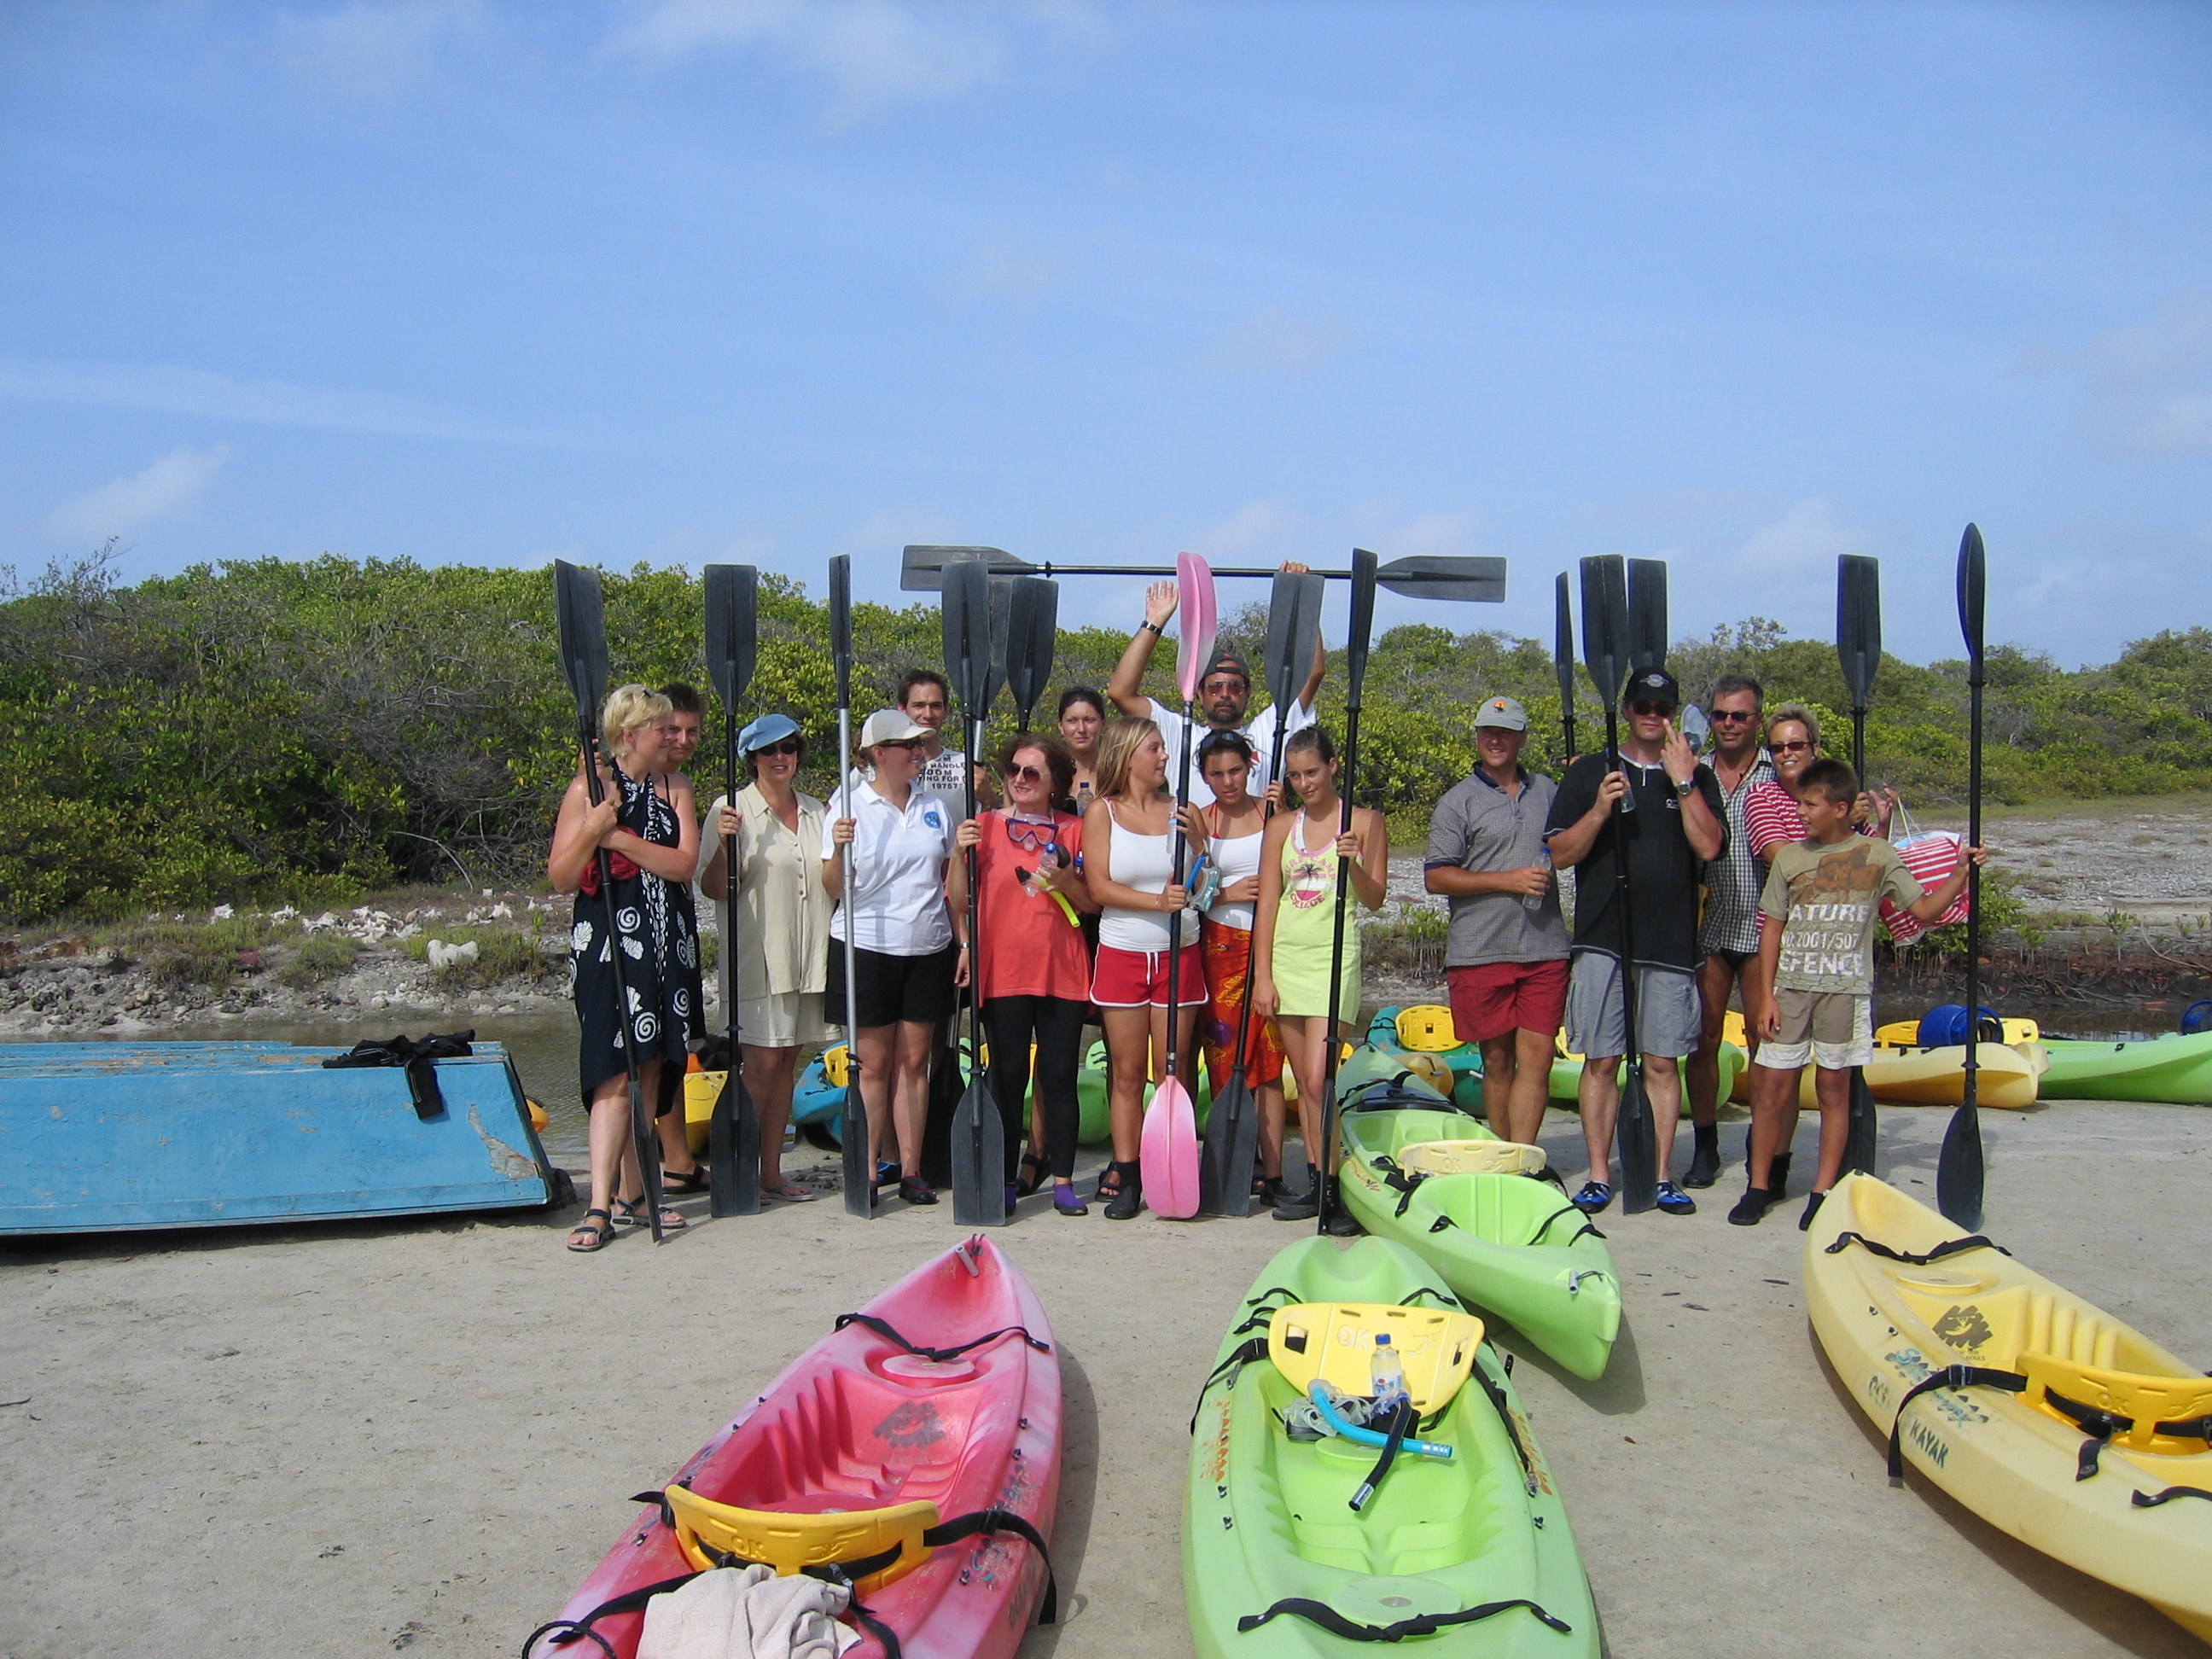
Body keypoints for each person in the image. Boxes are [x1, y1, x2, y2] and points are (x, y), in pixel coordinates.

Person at [1734, 759, 1983, 1230]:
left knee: (1833, 1090)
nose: (1802, 812)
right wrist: (1765, 995)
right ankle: (1759, 1185)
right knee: (1771, 1089)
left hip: (1845, 995)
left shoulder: (1878, 855)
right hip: (1790, 991)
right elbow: (1771, 929)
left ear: (1841, 808)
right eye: (1800, 803)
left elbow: (1925, 910)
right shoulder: (1789, 857)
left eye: (1810, 804)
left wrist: (1959, 873)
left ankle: (1822, 1190)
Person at [1544, 667, 1726, 1216]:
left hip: (1670, 942)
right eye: (1642, 705)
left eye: (1662, 706)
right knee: (1601, 1061)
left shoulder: (1696, 775)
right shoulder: (1589, 773)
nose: (1652, 713)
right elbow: (1558, 855)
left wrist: (1684, 780)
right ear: (1626, 711)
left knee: (1663, 1064)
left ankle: (1663, 1174)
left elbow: (1710, 847)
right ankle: (1599, 1175)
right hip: (1603, 940)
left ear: (1672, 713)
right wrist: (1600, 808)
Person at [548, 684, 701, 1251]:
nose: (672, 736)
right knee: (614, 1070)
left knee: (655, 1066)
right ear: (629, 735)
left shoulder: (676, 787)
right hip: (610, 946)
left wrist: (618, 839)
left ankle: (638, 1194)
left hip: (669, 944)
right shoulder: (589, 788)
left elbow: (683, 863)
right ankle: (599, 1203)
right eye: (661, 727)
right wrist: (593, 828)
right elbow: (563, 876)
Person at [951, 734, 1099, 1218]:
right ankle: (1004, 1179)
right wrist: (958, 853)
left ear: (1054, 781)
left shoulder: (1076, 829)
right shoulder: (985, 826)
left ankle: (1061, 1182)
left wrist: (1068, 883)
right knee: (1008, 1076)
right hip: (1004, 971)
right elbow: (957, 899)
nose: (1019, 779)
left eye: (1031, 772)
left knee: (1057, 1078)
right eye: (1014, 770)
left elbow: (1093, 903)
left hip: (1063, 972)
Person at [823, 708, 960, 1208]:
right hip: (866, 945)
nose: (919, 753)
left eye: (920, 745)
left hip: (927, 945)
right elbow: (834, 888)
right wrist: (839, 848)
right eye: (908, 746)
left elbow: (949, 880)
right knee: (874, 1064)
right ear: (879, 753)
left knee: (916, 1061)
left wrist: (962, 941)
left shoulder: (933, 807)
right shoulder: (848, 803)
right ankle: (866, 1170)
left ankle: (912, 1169)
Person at [1253, 726, 1388, 1227]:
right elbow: (1269, 901)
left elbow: (1374, 899)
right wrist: (1261, 976)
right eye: (1294, 775)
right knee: (1305, 1086)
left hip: (1335, 960)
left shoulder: (1367, 822)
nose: (1304, 783)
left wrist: (1350, 861)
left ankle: (1335, 1189)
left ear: (1333, 766)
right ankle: (1318, 1184)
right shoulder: (1279, 827)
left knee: (1318, 1079)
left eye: (1312, 771)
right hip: (1287, 958)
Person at [696, 713, 835, 1203]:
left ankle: (771, 1171)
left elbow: (831, 881)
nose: (780, 758)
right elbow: (713, 887)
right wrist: (726, 845)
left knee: (788, 1062)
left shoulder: (819, 810)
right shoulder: (729, 809)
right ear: (752, 758)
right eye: (769, 751)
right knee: (759, 1065)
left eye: (789, 748)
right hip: (758, 958)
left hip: (808, 957)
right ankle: (738, 1170)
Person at [1423, 696, 1569, 1148]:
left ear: (1522, 737)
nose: (1496, 739)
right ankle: (1503, 1154)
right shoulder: (1457, 801)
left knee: (1539, 1059)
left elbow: (1582, 832)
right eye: (1488, 731)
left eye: (1506, 732)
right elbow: (1435, 877)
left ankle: (1524, 1157)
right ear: (1478, 737)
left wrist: (1586, 776)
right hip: (1481, 949)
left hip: (1545, 948)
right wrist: (1508, 880)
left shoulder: (1548, 790)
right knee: (1499, 1061)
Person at [1082, 716, 1208, 1220]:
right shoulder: (1102, 813)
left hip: (1181, 955)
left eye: (1163, 749)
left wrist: (1201, 846)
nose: (1163, 757)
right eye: (1154, 749)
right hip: (1122, 954)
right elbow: (1099, 888)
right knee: (1128, 1073)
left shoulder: (1185, 810)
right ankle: (1128, 1172)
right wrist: (1156, 903)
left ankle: (1172, 1166)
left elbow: (1205, 885)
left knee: (1170, 1073)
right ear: (1128, 754)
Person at [1105, 572, 1326, 807]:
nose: (1225, 694)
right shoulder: (1180, 733)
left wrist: (1302, 599)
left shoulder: (1269, 730)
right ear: (1199, 693)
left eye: (1235, 687)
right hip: (1192, 843)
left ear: (1248, 693)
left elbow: (1313, 673)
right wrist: (1154, 622)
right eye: (1215, 687)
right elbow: (1121, 693)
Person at [1684, 673, 1773, 1189]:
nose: (1730, 724)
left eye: (1740, 715)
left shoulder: (1781, 772)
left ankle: (1763, 1143)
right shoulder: (1693, 773)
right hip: (1709, 924)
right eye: (1720, 715)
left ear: (1757, 719)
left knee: (1766, 1041)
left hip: (1765, 926)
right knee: (1704, 1039)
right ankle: (1705, 1144)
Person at [1193, 730, 1290, 1203]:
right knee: (1225, 1057)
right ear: (1204, 777)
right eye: (1216, 774)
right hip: (1218, 946)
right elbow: (1187, 889)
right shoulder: (1199, 819)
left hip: (1272, 944)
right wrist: (1227, 893)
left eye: (1235, 770)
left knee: (1270, 1062)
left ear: (1250, 766)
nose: (1227, 781)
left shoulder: (1274, 813)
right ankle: (1234, 1162)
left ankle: (1273, 1173)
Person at [1056, 686, 1107, 815]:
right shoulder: (1051, 775)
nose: (1081, 729)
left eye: (1089, 720)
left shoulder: (1117, 773)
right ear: (1061, 726)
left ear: (1103, 724)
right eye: (1072, 721)